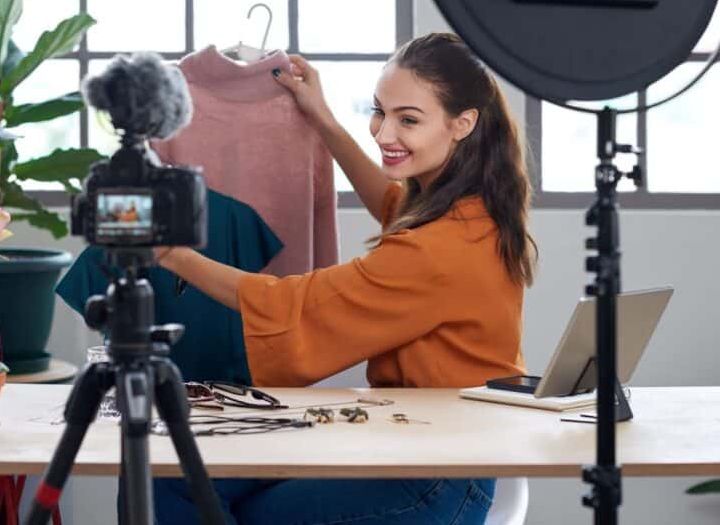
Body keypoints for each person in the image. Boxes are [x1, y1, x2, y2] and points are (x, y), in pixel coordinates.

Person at [152, 32, 537, 524]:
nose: (383, 133)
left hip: (437, 476)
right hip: (429, 445)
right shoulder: (470, 210)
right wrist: (324, 119)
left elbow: (292, 303)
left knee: (217, 497)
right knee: (183, 475)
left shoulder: (439, 249)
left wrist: (172, 253)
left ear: (463, 124)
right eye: (380, 112)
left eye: (409, 120)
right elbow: (392, 203)